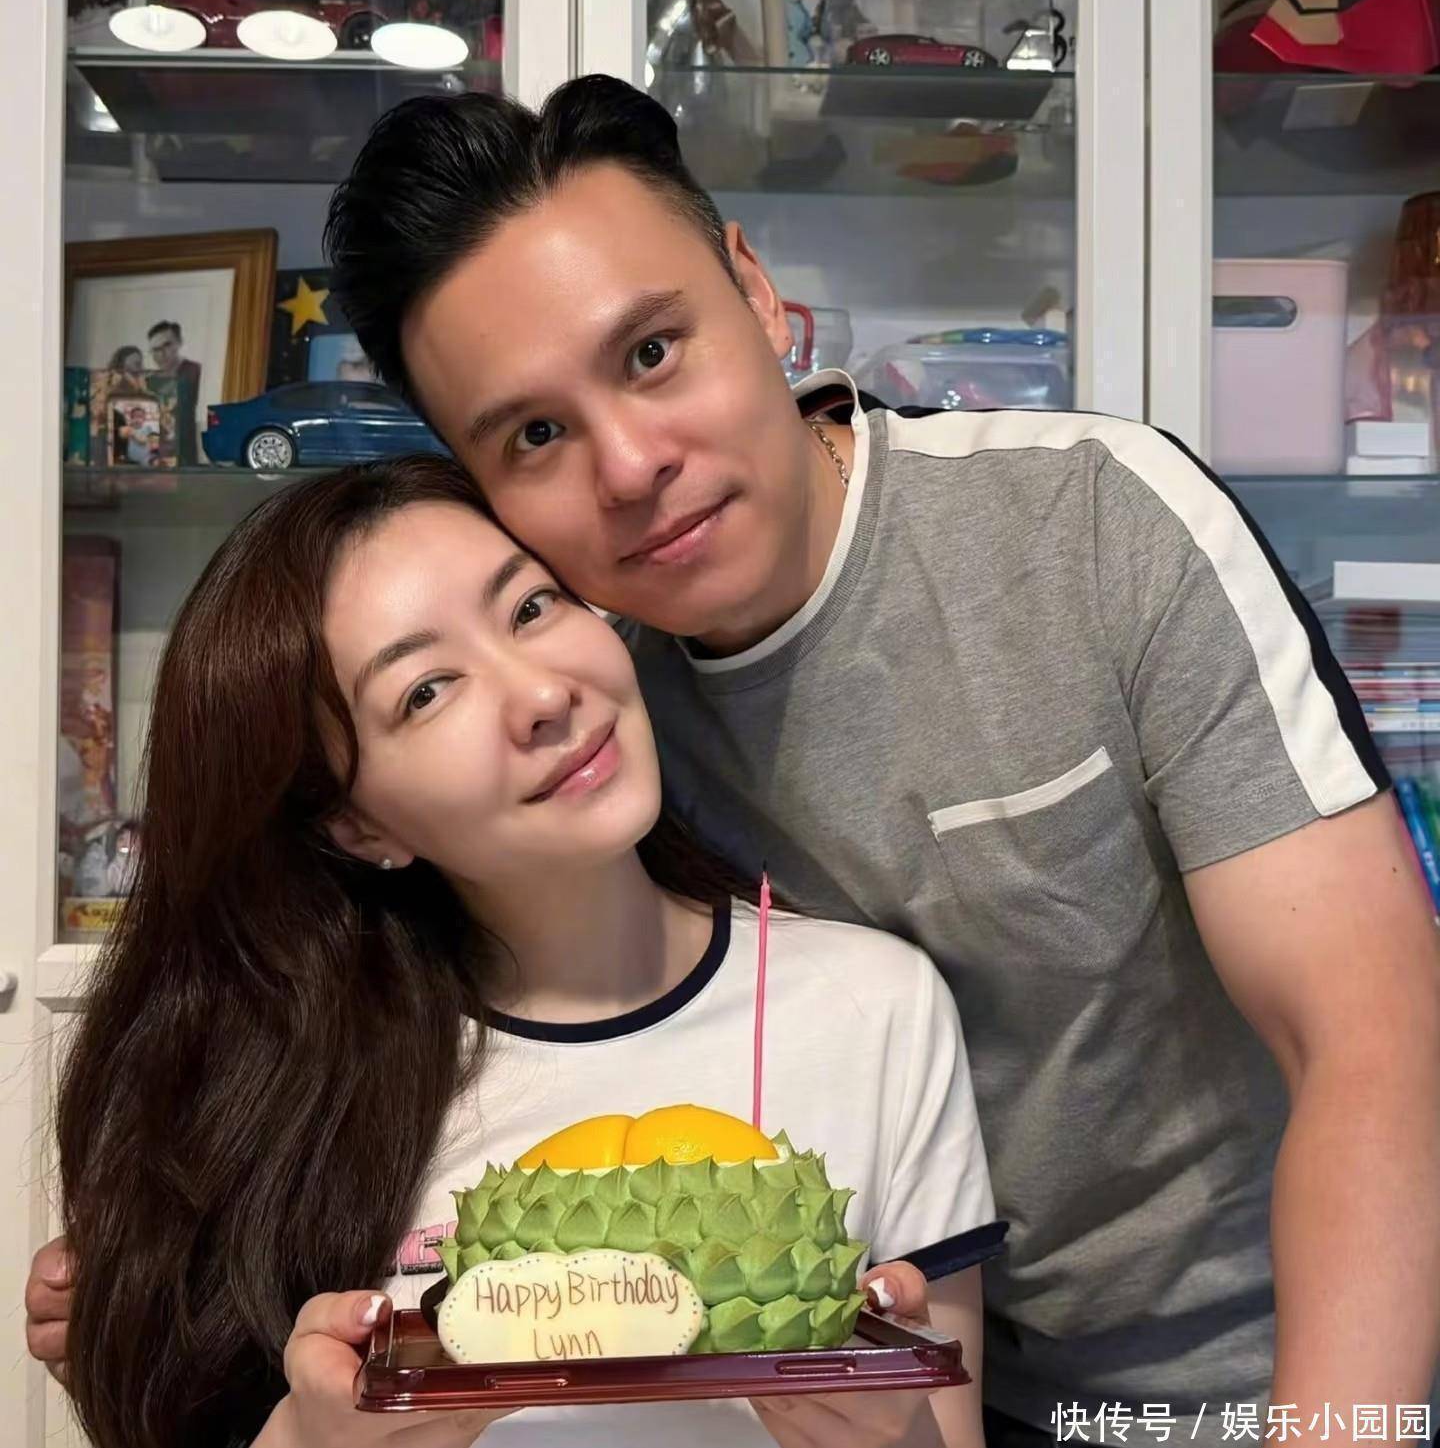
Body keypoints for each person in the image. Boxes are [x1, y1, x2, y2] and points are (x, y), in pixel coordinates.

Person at [30, 79, 1440, 1435]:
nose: (630, 464)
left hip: (1289, 1370)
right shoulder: (592, 708)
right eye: (535, 433)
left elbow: (1371, 1035)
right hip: (933, 1388)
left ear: (758, 293)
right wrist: (176, 1263)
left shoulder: (1090, 526)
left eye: (652, 353)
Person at [47, 454, 994, 1448]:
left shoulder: (875, 1008)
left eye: (533, 606)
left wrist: (895, 1437)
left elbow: (944, 1427)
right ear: (359, 826)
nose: (542, 692)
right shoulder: (295, 1110)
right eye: (427, 690)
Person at [146, 318, 201, 463]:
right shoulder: (149, 381)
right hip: (157, 456)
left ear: (179, 343)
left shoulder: (195, 372)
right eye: (155, 350)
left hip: (186, 455)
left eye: (167, 345)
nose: (161, 354)